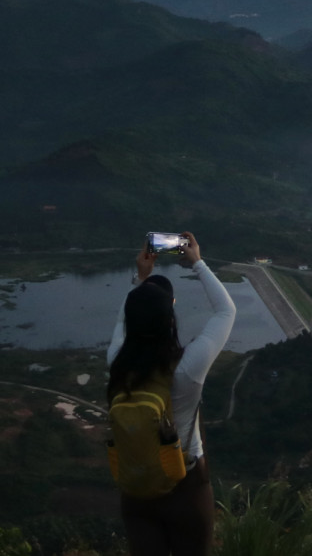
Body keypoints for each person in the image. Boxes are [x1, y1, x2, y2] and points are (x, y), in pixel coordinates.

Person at [107, 231, 235, 556]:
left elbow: (126, 320)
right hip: (186, 486)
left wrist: (141, 278)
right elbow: (225, 311)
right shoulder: (187, 368)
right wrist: (197, 263)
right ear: (171, 317)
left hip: (136, 490)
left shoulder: (117, 362)